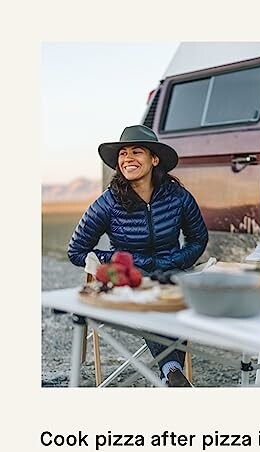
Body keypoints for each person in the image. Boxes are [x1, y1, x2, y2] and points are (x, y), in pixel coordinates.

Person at [68, 125, 209, 387]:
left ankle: (171, 372)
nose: (127, 158)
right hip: (132, 278)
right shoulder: (108, 202)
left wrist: (176, 260)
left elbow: (199, 239)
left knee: (172, 293)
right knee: (148, 294)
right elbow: (76, 251)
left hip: (173, 270)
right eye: (123, 153)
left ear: (154, 159)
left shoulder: (178, 197)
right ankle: (173, 371)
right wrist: (123, 261)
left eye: (136, 151)